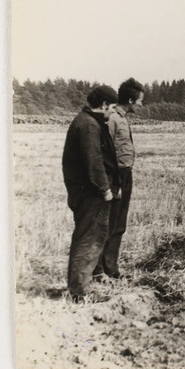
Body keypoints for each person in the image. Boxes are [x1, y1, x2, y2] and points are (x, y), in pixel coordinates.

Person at [62, 85, 120, 302]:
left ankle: (79, 288)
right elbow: (93, 162)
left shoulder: (87, 121)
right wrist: (105, 189)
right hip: (90, 195)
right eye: (112, 107)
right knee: (88, 239)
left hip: (86, 192)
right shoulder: (88, 126)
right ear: (104, 105)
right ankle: (79, 293)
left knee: (88, 237)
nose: (112, 112)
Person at [95, 78, 145, 280]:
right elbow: (105, 151)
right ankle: (98, 269)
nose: (141, 105)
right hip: (115, 175)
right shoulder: (113, 119)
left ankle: (111, 268)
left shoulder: (122, 117)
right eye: (140, 101)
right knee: (108, 222)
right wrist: (112, 181)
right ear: (131, 100)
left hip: (125, 175)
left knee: (119, 224)